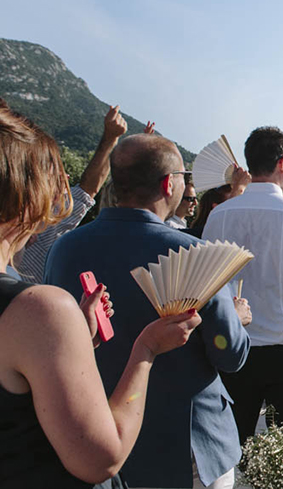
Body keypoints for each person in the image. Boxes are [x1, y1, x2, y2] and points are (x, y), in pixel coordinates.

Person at [0, 108, 201, 488]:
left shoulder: (48, 295)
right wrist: (146, 350)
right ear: (27, 197)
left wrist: (74, 343)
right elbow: (101, 459)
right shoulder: (38, 309)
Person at [44, 133, 249, 488]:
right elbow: (229, 355)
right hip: (189, 442)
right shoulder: (193, 254)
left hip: (100, 436)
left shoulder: (64, 249)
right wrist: (239, 320)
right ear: (169, 184)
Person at [203, 127, 283, 447]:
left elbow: (206, 282)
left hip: (235, 346)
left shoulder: (219, 215)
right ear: (282, 163)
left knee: (237, 442)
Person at [15, 101, 127, 283]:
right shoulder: (45, 224)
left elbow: (87, 190)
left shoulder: (43, 224)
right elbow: (88, 189)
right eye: (56, 178)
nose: (65, 181)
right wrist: (110, 139)